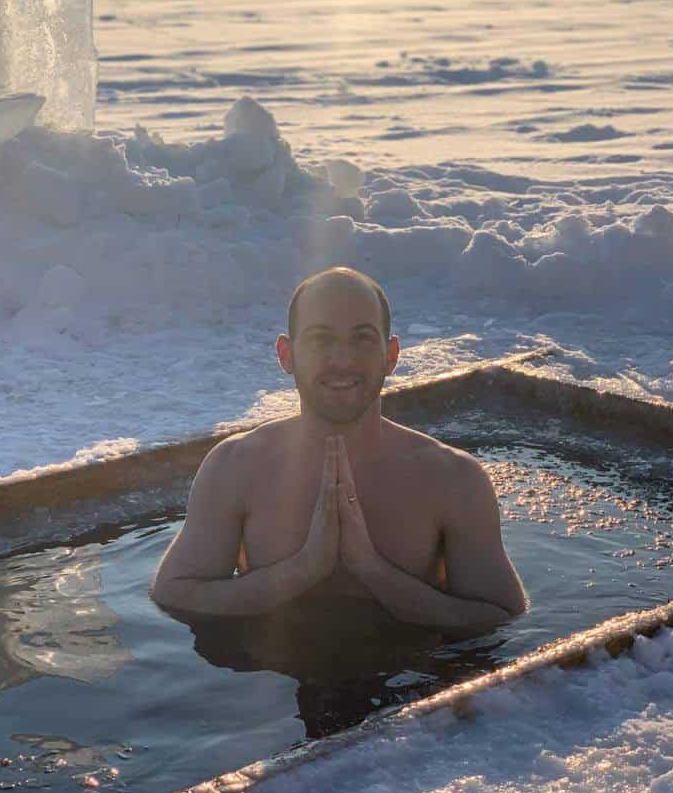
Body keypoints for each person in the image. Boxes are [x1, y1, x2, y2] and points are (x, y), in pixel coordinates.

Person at [151, 267, 527, 635]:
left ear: (391, 355)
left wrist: (373, 570)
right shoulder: (236, 467)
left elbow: (502, 615)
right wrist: (303, 569)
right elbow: (175, 593)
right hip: (270, 687)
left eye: (362, 338)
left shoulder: (452, 478)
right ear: (287, 354)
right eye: (320, 338)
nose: (343, 359)